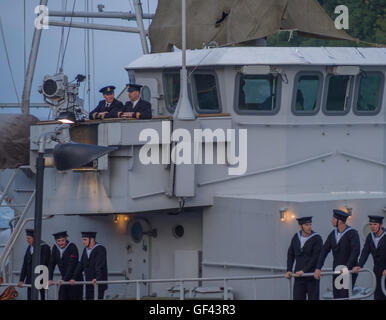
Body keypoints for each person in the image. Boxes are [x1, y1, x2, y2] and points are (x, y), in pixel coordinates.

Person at [314, 209, 360, 299]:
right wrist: (318, 268)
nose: (332, 221)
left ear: (340, 221)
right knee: (337, 296)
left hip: (348, 270)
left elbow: (355, 251)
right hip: (337, 269)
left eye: (334, 219)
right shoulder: (333, 234)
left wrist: (346, 267)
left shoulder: (352, 233)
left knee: (344, 295)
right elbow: (324, 251)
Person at [286, 216, 323, 300]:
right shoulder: (296, 237)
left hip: (311, 276)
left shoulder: (317, 238)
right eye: (306, 225)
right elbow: (290, 254)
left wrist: (304, 271)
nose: (309, 227)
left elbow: (315, 257)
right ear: (300, 226)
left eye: (310, 224)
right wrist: (289, 269)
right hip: (299, 277)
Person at [353, 216, 386, 300]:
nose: (372, 227)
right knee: (378, 294)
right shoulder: (370, 237)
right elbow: (365, 252)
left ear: (381, 225)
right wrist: (359, 265)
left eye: (375, 224)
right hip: (377, 270)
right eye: (371, 224)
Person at [70, 232, 108, 300]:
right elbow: (81, 264)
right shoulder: (86, 250)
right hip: (89, 282)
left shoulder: (100, 249)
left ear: (92, 239)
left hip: (97, 283)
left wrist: (97, 278)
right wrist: (74, 277)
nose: (83, 242)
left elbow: (99, 265)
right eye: (83, 239)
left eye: (85, 240)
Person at [48, 231, 83, 300]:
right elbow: (51, 264)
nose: (61, 243)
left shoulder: (72, 247)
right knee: (61, 296)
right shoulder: (55, 248)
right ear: (56, 241)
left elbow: (72, 266)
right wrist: (50, 279)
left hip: (74, 278)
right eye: (58, 241)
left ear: (66, 239)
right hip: (64, 279)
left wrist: (64, 279)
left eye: (62, 240)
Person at [17, 229, 51, 300]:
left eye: (29, 238)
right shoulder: (30, 247)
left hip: (41, 278)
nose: (27, 240)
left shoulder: (44, 247)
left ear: (35, 238)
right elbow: (25, 264)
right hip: (30, 279)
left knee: (41, 297)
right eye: (27, 238)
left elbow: (43, 264)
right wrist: (21, 279)